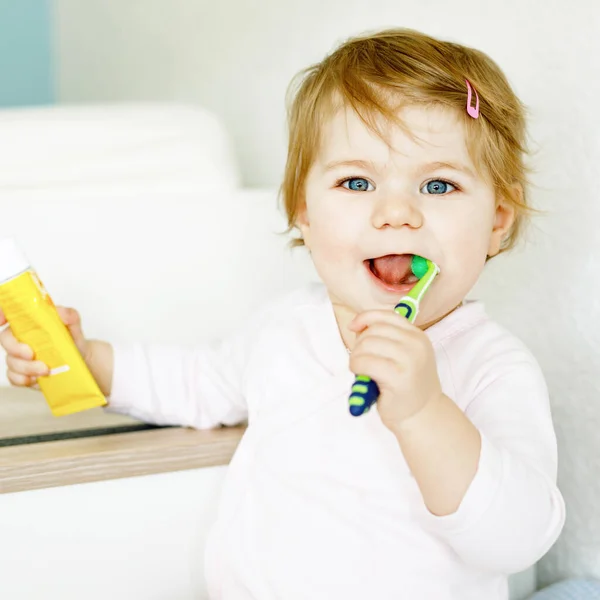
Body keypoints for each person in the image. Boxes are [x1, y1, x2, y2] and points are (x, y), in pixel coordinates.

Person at [0, 28, 565, 600]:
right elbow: (196, 383)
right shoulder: (286, 329)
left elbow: (519, 537)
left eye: (438, 185)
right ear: (304, 212)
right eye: (357, 181)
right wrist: (86, 359)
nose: (396, 212)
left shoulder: (493, 366)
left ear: (498, 220)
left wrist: (424, 411)